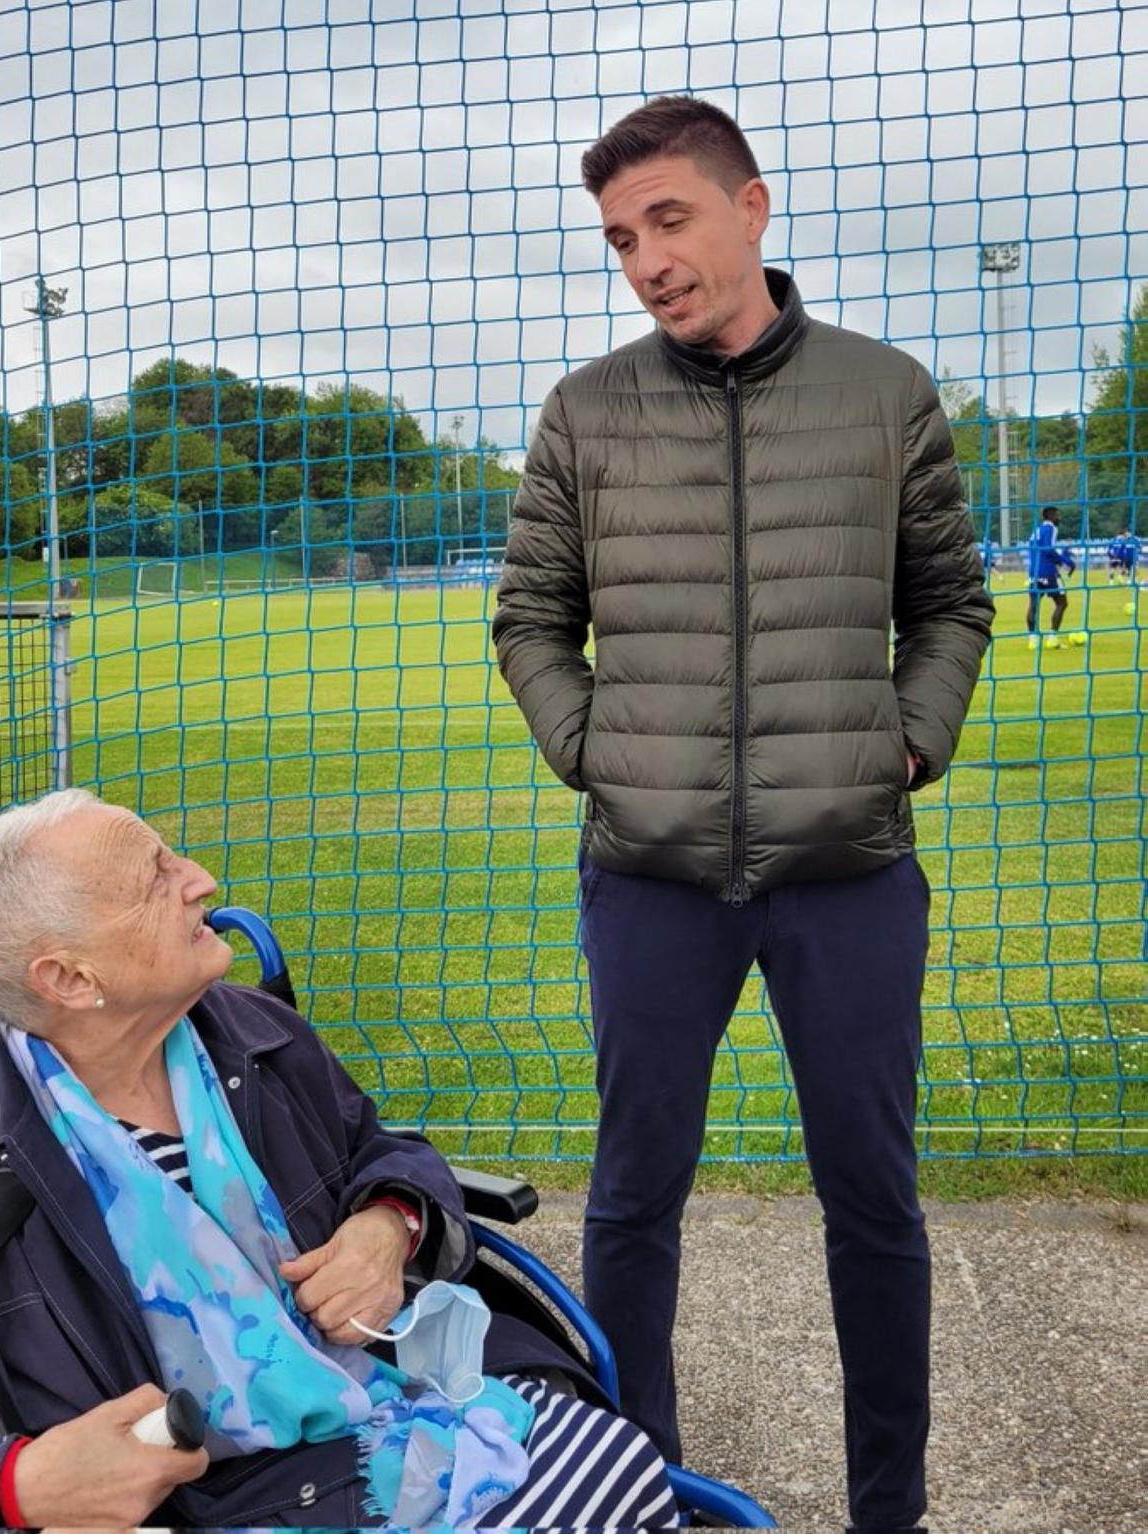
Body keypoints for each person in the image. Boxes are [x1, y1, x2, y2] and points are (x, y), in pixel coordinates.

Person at [492, 95, 994, 1534]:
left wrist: (909, 742)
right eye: (618, 239)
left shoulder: (884, 392)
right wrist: (594, 750)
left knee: (874, 1203)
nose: (646, 260)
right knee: (631, 1202)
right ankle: (631, 1489)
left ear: (751, 207)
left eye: (669, 220)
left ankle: (888, 1506)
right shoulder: (586, 410)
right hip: (648, 877)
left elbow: (951, 606)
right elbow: (530, 619)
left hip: (849, 872)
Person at [0, 789, 678, 1530]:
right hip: (200, 1500)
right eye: (156, 879)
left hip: (394, 1395)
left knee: (618, 1467)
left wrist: (389, 1225)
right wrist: (18, 1483)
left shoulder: (251, 1034)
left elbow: (384, 1150)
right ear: (70, 978)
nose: (201, 881)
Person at [1026, 505, 1077, 648]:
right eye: (1057, 515)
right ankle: (1052, 638)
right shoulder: (1051, 528)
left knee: (1033, 605)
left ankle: (1033, 641)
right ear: (1050, 516)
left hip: (1034, 572)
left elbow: (1037, 551)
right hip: (1049, 572)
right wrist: (1066, 561)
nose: (1058, 518)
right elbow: (1048, 549)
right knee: (1062, 603)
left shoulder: (1036, 530)